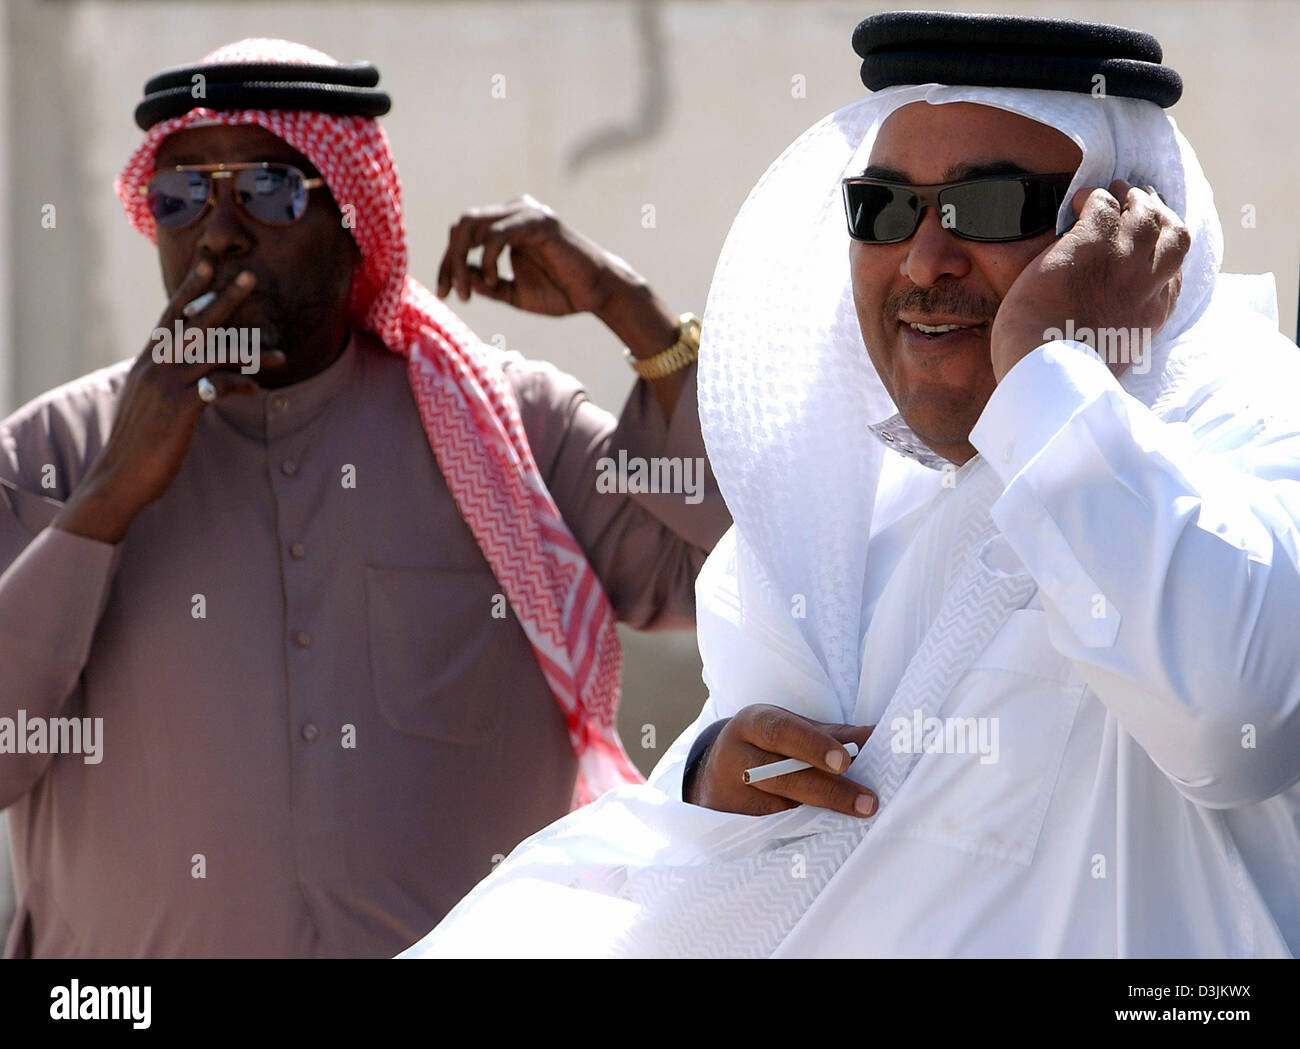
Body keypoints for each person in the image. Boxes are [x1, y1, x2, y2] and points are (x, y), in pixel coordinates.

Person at [402, 11, 1300, 958]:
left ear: (1122, 236)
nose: (924, 259)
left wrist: (1049, 367)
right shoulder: (879, 486)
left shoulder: (1248, 428)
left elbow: (1238, 719)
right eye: (886, 208)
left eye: (990, 205)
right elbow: (740, 771)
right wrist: (715, 775)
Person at [0, 38, 729, 957]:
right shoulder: (51, 454)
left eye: (266, 190)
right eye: (182, 196)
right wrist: (104, 502)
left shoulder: (503, 429)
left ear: (354, 221)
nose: (218, 232)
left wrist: (631, 310)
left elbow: (750, 573)